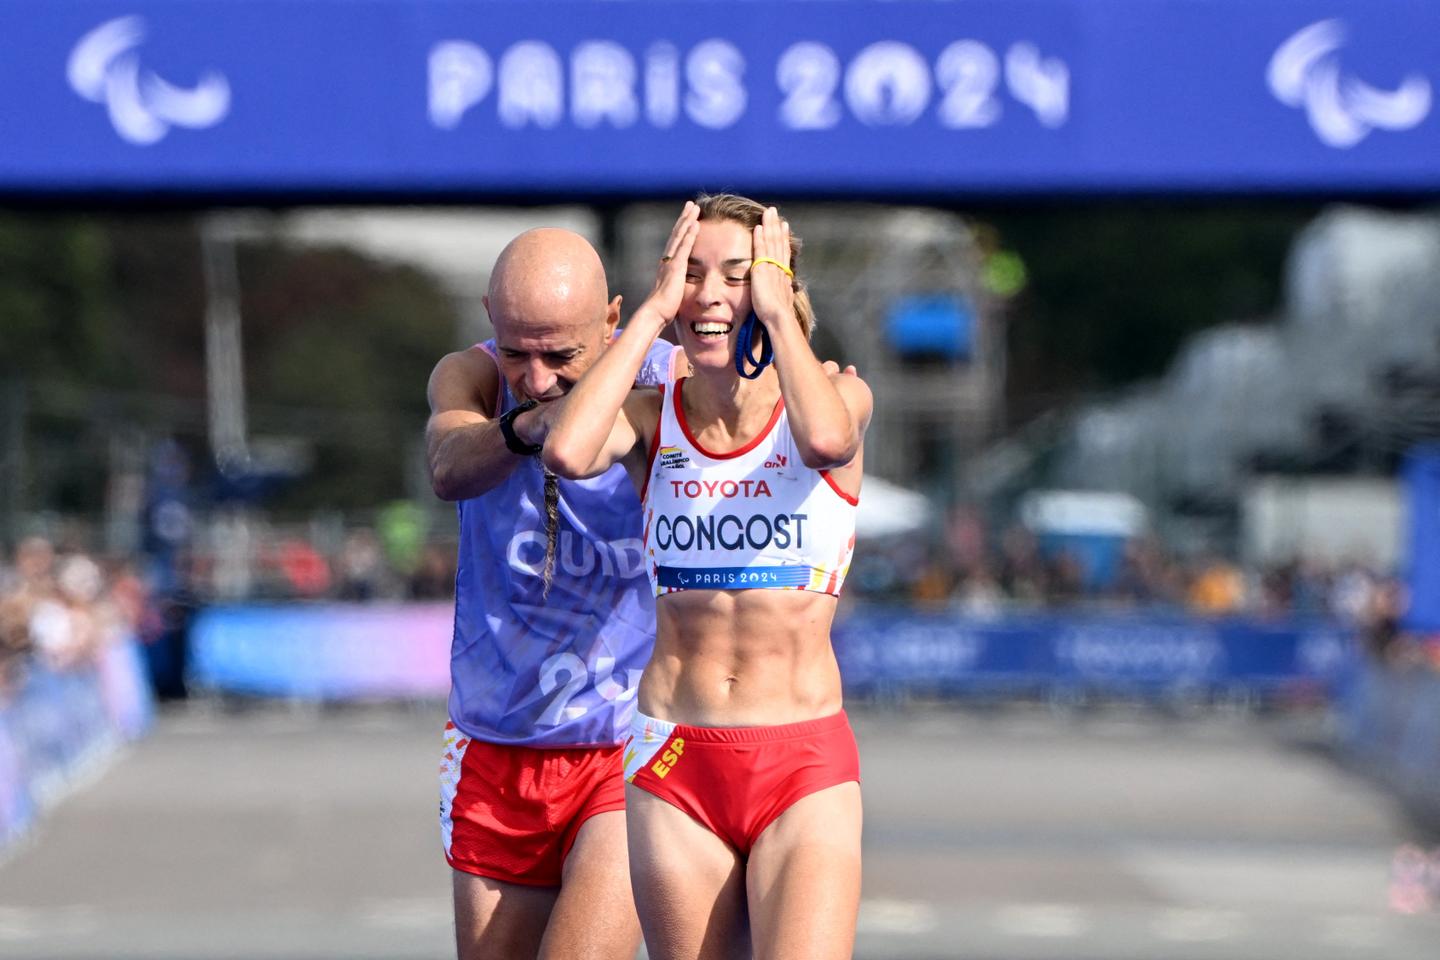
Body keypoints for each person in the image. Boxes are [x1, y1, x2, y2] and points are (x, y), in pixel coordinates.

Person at [544, 195, 872, 959]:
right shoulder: (657, 420)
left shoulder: (837, 396)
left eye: (736, 273)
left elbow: (825, 440)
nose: (711, 295)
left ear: (774, 285)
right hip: (674, 755)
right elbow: (565, 451)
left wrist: (781, 314)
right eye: (691, 274)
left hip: (803, 764)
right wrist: (653, 315)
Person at [425, 227, 680, 960]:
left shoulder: (670, 382)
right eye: (516, 352)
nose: (535, 377)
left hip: (623, 744)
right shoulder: (469, 378)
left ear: (613, 321)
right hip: (496, 742)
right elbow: (448, 467)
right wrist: (527, 427)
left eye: (562, 356)